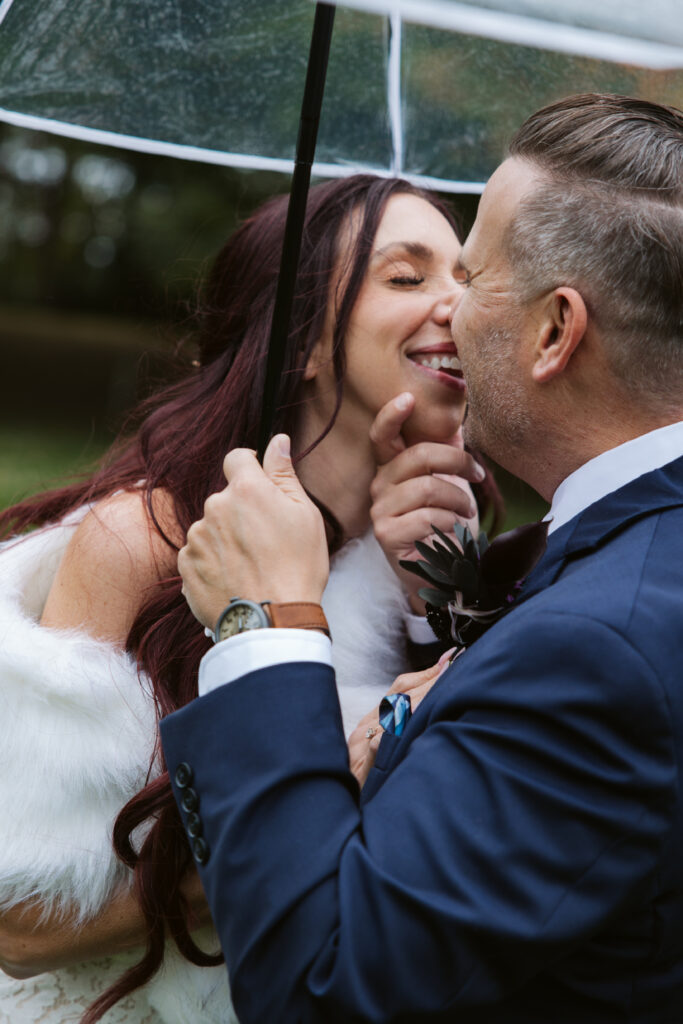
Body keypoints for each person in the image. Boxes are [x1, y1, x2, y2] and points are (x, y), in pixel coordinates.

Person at [161, 92, 683, 1023]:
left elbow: (320, 986)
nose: (448, 307)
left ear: (555, 332)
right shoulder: (614, 566)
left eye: (471, 273)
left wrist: (263, 627)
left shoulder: (599, 650)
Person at [0, 174, 499, 1023]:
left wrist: (431, 601)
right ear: (301, 341)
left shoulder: (420, 554)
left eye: (468, 276)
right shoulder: (145, 542)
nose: (457, 304)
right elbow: (22, 922)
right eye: (407, 278)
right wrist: (328, 793)